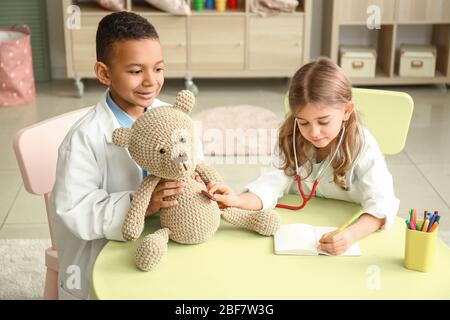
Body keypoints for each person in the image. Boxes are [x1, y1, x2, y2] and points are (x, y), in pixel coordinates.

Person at [50, 12, 204, 300]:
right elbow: (74, 211)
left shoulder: (172, 117)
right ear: (104, 73)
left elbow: (194, 160)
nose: (150, 81)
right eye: (135, 71)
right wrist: (143, 204)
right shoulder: (84, 138)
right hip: (108, 250)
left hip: (169, 233)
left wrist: (199, 183)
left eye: (158, 69)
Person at [207, 58, 399, 256]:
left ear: (346, 111)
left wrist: (349, 236)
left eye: (323, 121)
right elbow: (271, 184)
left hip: (350, 226)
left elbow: (382, 205)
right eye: (303, 122)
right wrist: (238, 200)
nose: (314, 132)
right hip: (296, 225)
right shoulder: (290, 136)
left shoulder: (363, 145)